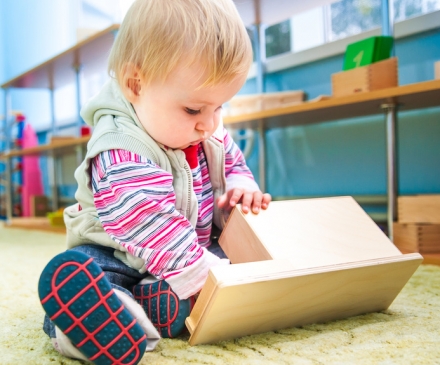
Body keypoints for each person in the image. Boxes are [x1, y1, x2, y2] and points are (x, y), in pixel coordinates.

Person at [38, 0, 271, 364]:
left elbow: (227, 155)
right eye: (194, 110)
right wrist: (207, 278)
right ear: (136, 84)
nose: (208, 123)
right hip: (117, 250)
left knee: (235, 260)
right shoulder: (121, 147)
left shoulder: (201, 120)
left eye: (221, 106)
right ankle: (105, 321)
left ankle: (157, 299)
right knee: (86, 271)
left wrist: (241, 181)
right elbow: (150, 221)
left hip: (186, 248)